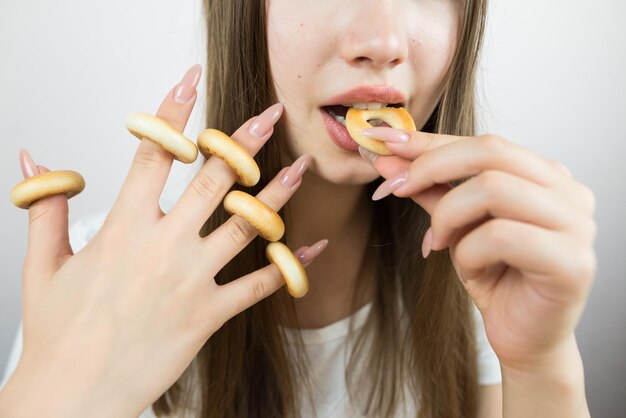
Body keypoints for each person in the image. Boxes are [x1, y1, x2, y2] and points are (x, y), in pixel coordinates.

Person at [0, 1, 596, 417]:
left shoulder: (483, 277)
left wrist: (542, 365)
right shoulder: (94, 282)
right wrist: (60, 398)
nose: (383, 44)